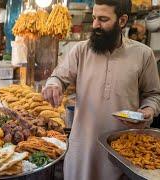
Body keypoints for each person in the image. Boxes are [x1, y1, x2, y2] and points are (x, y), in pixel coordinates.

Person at [41, 0, 160, 179]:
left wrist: (148, 111)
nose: (96, 24)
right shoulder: (80, 51)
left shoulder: (143, 55)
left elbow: (153, 95)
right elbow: (58, 77)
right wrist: (53, 85)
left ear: (122, 21)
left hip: (123, 153)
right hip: (82, 150)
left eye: (103, 19)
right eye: (95, 18)